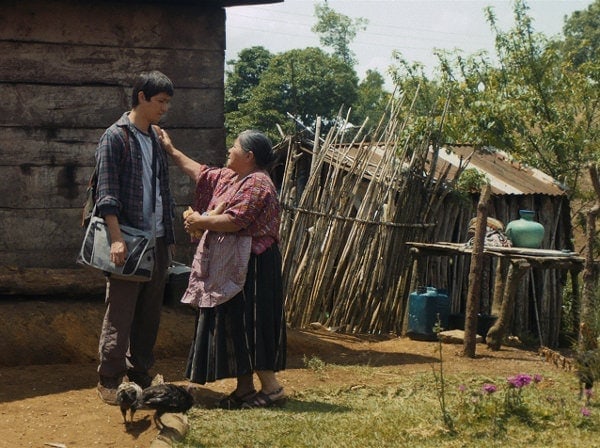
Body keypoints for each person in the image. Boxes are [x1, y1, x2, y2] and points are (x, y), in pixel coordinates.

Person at [158, 128, 287, 409]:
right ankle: (244, 388)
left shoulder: (258, 184)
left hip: (255, 267)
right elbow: (202, 173)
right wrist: (171, 149)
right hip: (233, 266)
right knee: (233, 322)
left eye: (235, 146)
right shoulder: (233, 177)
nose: (229, 150)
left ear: (249, 156)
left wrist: (198, 221)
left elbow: (235, 221)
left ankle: (272, 388)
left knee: (253, 323)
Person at [95, 71, 176, 404]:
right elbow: (106, 192)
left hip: (156, 238)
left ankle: (140, 371)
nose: (164, 109)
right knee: (122, 309)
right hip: (128, 237)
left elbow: (161, 191)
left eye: (167, 103)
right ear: (141, 97)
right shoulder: (115, 137)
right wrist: (116, 238)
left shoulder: (155, 139)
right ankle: (109, 377)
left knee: (149, 310)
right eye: (160, 102)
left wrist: (167, 235)